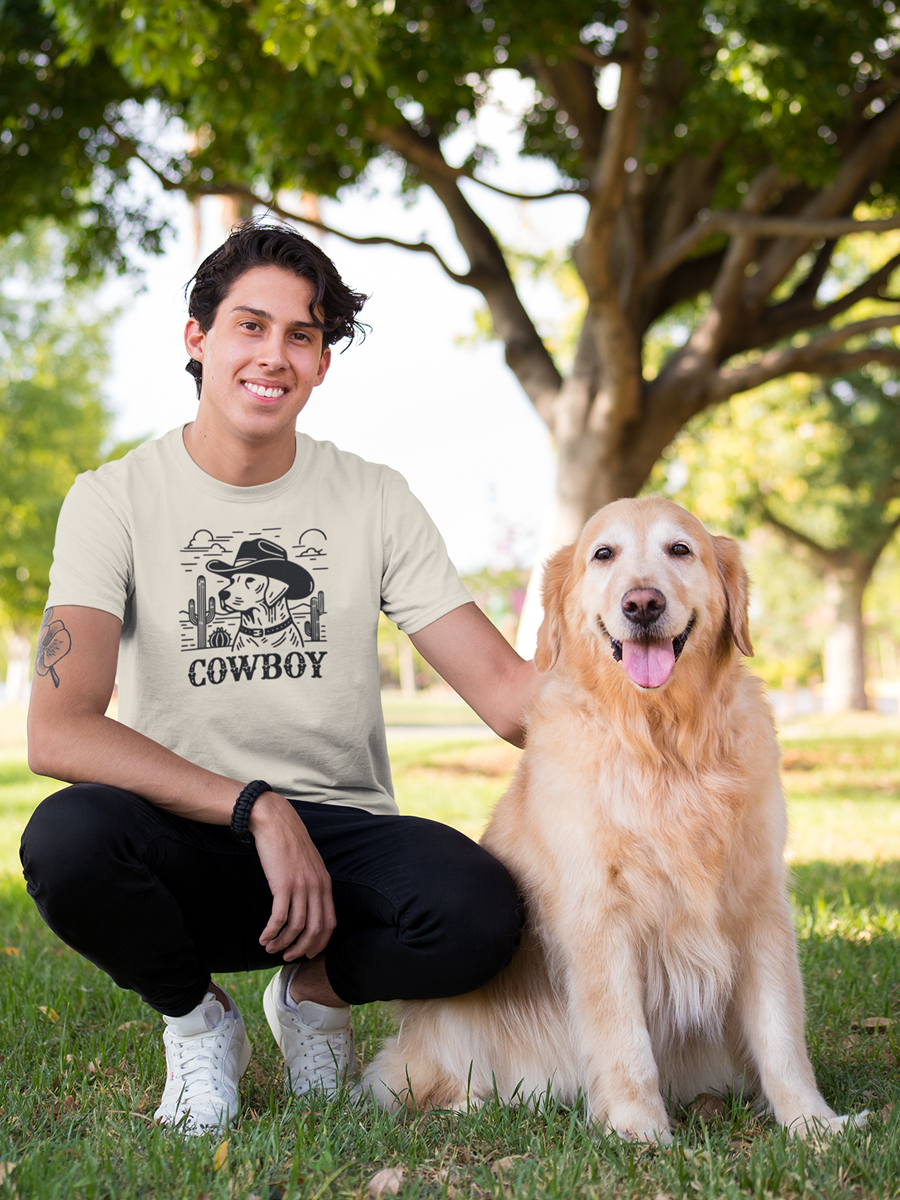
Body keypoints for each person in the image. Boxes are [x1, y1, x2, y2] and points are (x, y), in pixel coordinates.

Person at [21, 220, 540, 1135]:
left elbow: (507, 696)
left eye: (302, 335)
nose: (275, 355)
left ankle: (315, 993)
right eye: (250, 326)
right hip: (189, 831)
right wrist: (256, 806)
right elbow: (59, 730)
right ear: (198, 338)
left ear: (324, 361)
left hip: (340, 848)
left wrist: (655, 670)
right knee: (68, 840)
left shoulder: (373, 497)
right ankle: (199, 1021)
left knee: (482, 913)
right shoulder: (112, 499)